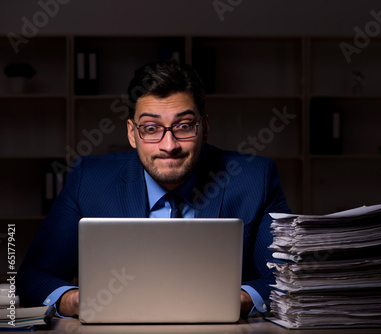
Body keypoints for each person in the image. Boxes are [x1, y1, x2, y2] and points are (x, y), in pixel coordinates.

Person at [17, 60, 290, 317]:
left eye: (184, 126)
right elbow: (32, 278)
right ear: (131, 133)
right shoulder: (89, 180)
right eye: (150, 128)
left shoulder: (256, 179)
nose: (169, 145)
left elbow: (287, 277)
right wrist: (77, 300)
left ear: (204, 128)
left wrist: (238, 300)